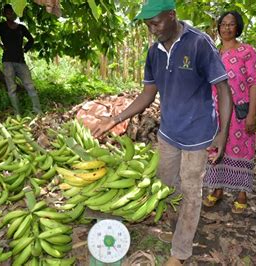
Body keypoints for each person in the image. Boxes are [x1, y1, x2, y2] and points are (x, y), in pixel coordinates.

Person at [92, 0, 233, 265]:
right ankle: (174, 229)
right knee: (165, 186)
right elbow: (148, 93)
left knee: (191, 191)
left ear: (172, 15)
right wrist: (114, 119)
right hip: (168, 132)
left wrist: (223, 133)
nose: (152, 30)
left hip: (197, 135)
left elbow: (224, 89)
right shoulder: (154, 51)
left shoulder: (199, 43)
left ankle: (180, 253)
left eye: (156, 23)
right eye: (148, 25)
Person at [202, 11, 256, 214]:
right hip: (215, 114)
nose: (226, 28)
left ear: (238, 28)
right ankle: (217, 189)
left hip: (239, 112)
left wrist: (252, 114)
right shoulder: (214, 53)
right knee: (218, 149)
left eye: (231, 24)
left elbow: (255, 83)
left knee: (241, 149)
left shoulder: (247, 51)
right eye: (223, 24)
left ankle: (241, 194)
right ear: (218, 27)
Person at [0, 4, 43, 115]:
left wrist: (25, 49)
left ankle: (38, 111)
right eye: (8, 12)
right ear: (4, 14)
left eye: (12, 12)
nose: (11, 14)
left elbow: (31, 40)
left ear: (15, 13)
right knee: (11, 89)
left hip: (20, 61)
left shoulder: (21, 27)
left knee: (30, 86)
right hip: (7, 62)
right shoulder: (1, 26)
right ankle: (17, 114)